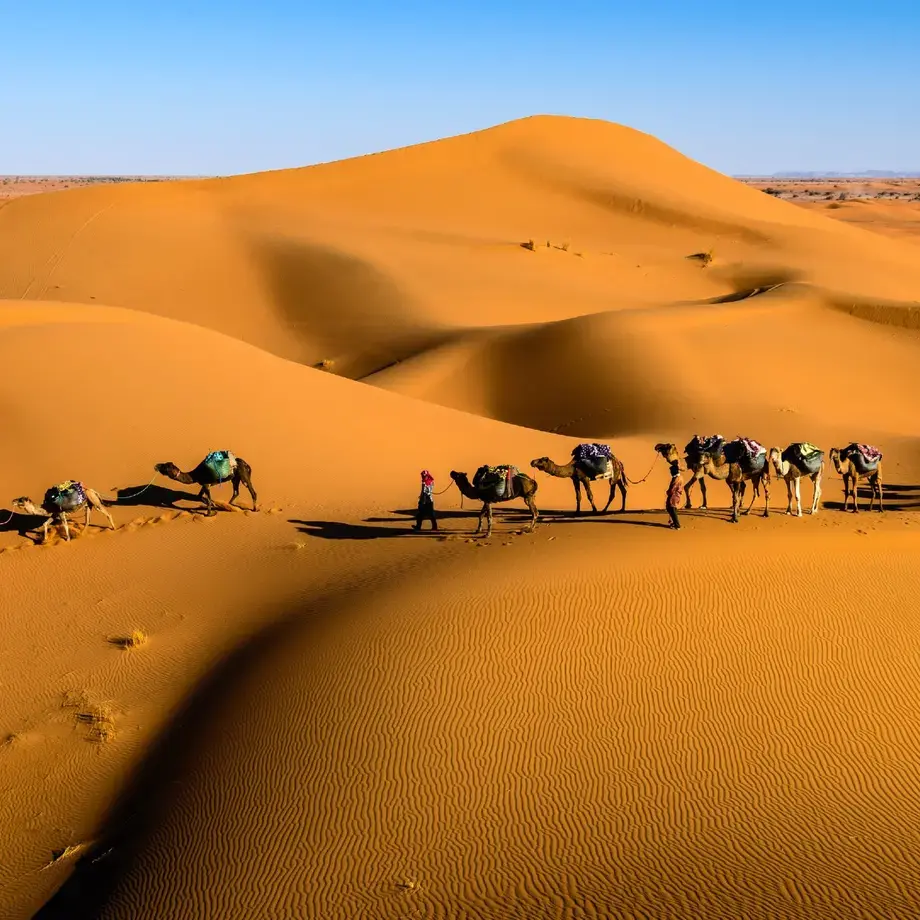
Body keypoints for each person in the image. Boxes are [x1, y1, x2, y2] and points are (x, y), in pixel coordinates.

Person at [666, 460, 684, 530]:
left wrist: (668, 492)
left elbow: (673, 488)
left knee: (671, 508)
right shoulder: (679, 477)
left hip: (674, 495)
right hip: (675, 495)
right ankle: (675, 523)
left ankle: (677, 525)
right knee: (670, 508)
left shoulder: (677, 479)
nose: (670, 473)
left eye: (671, 471)